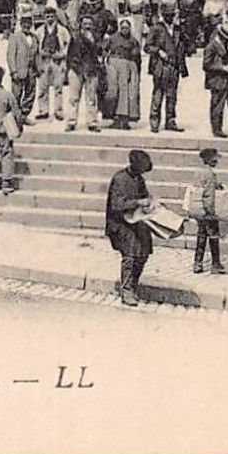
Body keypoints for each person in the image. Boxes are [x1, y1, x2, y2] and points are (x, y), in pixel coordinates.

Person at [105, 149, 155, 307]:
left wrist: (149, 203)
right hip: (119, 224)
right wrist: (137, 203)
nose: (142, 173)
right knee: (130, 256)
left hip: (136, 221)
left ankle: (133, 285)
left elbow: (144, 196)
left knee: (144, 253)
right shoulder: (120, 179)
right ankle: (126, 290)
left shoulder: (139, 179)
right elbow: (116, 205)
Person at [145, 7, 188, 133]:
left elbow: (186, 46)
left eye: (172, 15)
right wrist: (158, 51)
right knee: (158, 94)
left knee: (172, 96)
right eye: (167, 15)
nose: (170, 17)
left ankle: (170, 121)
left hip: (174, 66)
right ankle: (154, 122)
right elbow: (147, 46)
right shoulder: (156, 28)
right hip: (160, 66)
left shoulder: (178, 29)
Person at [190, 148, 228, 275]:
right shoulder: (210, 174)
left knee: (201, 236)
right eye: (215, 159)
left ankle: (197, 263)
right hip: (207, 210)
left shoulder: (198, 172)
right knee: (213, 237)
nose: (217, 161)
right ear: (209, 160)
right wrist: (211, 212)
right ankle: (216, 264)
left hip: (198, 208)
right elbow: (209, 195)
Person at [65, 16, 103, 132]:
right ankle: (71, 121)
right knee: (73, 98)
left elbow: (100, 52)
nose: (87, 26)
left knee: (91, 98)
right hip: (77, 70)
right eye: (85, 23)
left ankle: (92, 122)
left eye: (89, 24)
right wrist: (72, 68)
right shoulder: (75, 38)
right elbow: (69, 55)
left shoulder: (96, 38)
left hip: (91, 70)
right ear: (81, 25)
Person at [104, 19, 142, 131]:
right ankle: (113, 117)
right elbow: (104, 51)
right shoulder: (112, 38)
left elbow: (137, 57)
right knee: (113, 91)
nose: (125, 30)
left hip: (128, 66)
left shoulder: (133, 41)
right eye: (123, 27)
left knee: (126, 93)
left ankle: (124, 119)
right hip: (114, 64)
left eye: (127, 28)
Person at [33, 11, 70, 123]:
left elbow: (69, 44)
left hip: (57, 61)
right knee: (43, 88)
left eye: (52, 16)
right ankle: (43, 111)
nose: (50, 18)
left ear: (55, 17)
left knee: (58, 88)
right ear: (44, 17)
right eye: (47, 16)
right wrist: (40, 53)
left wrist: (63, 54)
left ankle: (58, 111)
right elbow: (35, 46)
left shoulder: (62, 30)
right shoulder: (39, 31)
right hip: (44, 61)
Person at [203, 20, 228, 137]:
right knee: (217, 105)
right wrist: (222, 68)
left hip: (227, 80)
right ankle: (217, 129)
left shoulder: (224, 45)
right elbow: (206, 64)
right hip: (217, 80)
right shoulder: (211, 46)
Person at [5, 15, 39, 122]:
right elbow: (10, 55)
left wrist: (38, 68)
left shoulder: (34, 38)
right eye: (24, 23)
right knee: (16, 94)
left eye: (29, 23)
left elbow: (37, 54)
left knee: (30, 93)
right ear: (21, 24)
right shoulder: (15, 37)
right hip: (19, 70)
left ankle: (24, 115)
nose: (26, 26)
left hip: (31, 70)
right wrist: (13, 71)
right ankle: (15, 117)